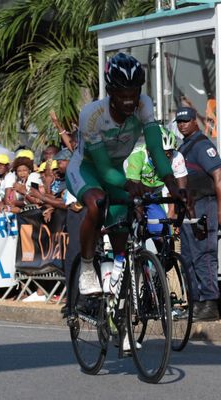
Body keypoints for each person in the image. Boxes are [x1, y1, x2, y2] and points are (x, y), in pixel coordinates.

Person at [65, 53, 181, 301]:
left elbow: (156, 149)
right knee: (97, 203)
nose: (129, 101)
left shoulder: (144, 105)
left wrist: (171, 183)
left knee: (122, 238)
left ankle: (122, 302)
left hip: (116, 171)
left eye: (134, 94)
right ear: (110, 92)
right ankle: (87, 268)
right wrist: (129, 183)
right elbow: (104, 170)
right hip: (87, 169)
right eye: (122, 95)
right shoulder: (92, 115)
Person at [175, 106, 221, 321]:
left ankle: (209, 302)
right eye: (179, 121)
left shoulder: (202, 145)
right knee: (188, 256)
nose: (182, 124)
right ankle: (195, 302)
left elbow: (218, 178)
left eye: (186, 121)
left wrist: (220, 209)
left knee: (204, 253)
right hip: (188, 207)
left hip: (204, 204)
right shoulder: (184, 147)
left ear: (195, 122)